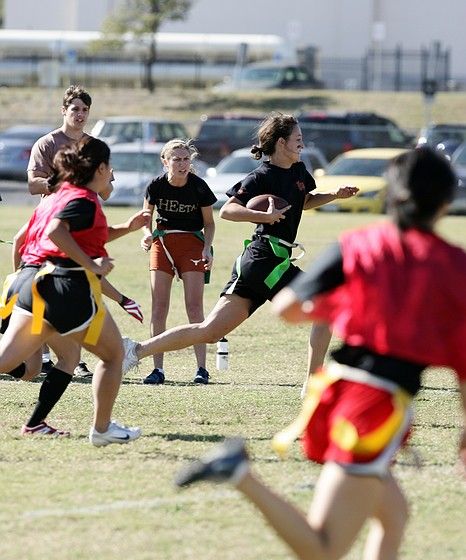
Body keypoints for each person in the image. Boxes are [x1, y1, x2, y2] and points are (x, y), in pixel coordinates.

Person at [174, 148, 466, 560]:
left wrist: (355, 306)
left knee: (393, 517)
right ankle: (239, 474)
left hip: (337, 394)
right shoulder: (452, 265)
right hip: (373, 411)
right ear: (444, 203)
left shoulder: (358, 244)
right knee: (322, 552)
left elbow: (289, 309)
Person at [122, 113, 357, 374]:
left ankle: (135, 350)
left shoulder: (299, 171)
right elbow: (228, 211)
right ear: (281, 143)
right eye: (298, 139)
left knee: (210, 331)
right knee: (325, 306)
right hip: (262, 259)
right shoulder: (260, 177)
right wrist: (263, 216)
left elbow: (302, 202)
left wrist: (333, 196)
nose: (302, 144)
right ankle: (314, 382)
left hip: (273, 260)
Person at [0, 136, 150, 444]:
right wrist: (92, 266)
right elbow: (58, 233)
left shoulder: (59, 194)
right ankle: (103, 428)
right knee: (113, 355)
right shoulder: (83, 198)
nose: (112, 175)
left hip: (29, 282)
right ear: (101, 168)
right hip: (62, 287)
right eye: (111, 168)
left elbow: (81, 234)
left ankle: (37, 423)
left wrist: (127, 228)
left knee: (25, 359)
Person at [27, 84, 112, 378]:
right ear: (64, 110)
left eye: (85, 109)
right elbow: (33, 184)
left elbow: (107, 192)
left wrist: (104, 179)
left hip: (85, 226)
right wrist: (64, 181)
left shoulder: (93, 145)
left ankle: (76, 356)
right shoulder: (47, 143)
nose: (80, 114)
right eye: (75, 109)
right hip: (53, 224)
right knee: (50, 291)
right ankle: (50, 355)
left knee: (83, 290)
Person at [139, 138, 216, 385]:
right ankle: (157, 369)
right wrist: (146, 235)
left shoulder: (199, 186)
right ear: (165, 161)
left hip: (192, 245)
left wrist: (207, 249)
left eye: (186, 159)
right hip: (163, 245)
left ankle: (201, 369)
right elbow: (145, 218)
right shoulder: (156, 186)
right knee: (159, 307)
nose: (182, 164)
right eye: (176, 159)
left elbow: (209, 223)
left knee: (194, 307)